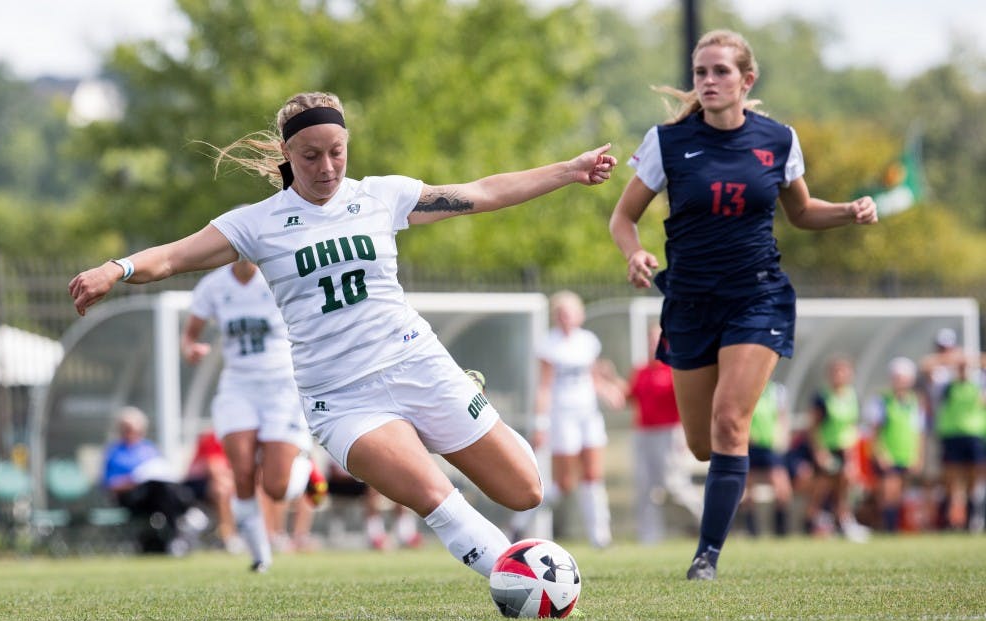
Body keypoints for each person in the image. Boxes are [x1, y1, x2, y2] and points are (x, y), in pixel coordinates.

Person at [69, 90, 617, 580]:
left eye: (337, 151)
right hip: (342, 395)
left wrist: (567, 170)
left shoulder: (382, 196)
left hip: (418, 364)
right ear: (287, 155)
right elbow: (171, 256)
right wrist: (115, 269)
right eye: (310, 155)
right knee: (436, 496)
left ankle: (464, 409)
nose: (327, 166)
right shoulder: (256, 224)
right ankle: (519, 578)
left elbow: (483, 192)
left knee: (525, 489)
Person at [607, 30, 877, 579]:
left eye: (720, 71)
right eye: (701, 72)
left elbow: (800, 213)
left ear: (746, 80)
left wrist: (848, 211)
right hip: (689, 303)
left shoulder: (778, 140)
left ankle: (706, 557)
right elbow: (622, 218)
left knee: (732, 422)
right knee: (703, 445)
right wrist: (635, 254)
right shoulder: (667, 142)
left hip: (758, 297)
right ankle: (714, 521)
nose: (708, 81)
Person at [180, 258, 328, 572]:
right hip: (238, 386)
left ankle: (302, 465)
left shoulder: (280, 276)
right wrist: (190, 347)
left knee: (277, 486)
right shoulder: (214, 285)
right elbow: (190, 333)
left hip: (281, 387)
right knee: (242, 470)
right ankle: (260, 553)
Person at [522, 291, 625, 548]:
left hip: (588, 415)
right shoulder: (549, 344)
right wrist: (540, 423)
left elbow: (592, 377)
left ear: (579, 315)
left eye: (569, 312)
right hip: (562, 416)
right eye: (561, 313)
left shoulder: (588, 341)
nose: (565, 318)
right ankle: (520, 523)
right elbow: (544, 387)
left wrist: (609, 390)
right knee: (564, 483)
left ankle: (600, 536)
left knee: (593, 475)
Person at [626, 325, 704, 544]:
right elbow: (627, 398)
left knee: (675, 485)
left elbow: (689, 404)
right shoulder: (641, 371)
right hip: (643, 434)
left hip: (668, 434)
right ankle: (648, 538)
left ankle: (706, 522)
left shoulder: (675, 369)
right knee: (645, 488)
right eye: (651, 340)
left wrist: (685, 434)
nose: (653, 344)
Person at [102, 406, 209, 555]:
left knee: (163, 486)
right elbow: (110, 484)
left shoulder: (149, 448)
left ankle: (180, 529)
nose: (130, 433)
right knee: (158, 487)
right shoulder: (114, 452)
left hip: (157, 496)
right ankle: (188, 517)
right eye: (126, 429)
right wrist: (134, 480)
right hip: (131, 497)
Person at [805, 356, 870, 541]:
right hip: (826, 448)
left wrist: (854, 454)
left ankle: (843, 520)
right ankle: (812, 521)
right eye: (836, 371)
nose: (839, 375)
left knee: (845, 483)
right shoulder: (822, 396)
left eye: (843, 371)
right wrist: (819, 451)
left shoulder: (853, 396)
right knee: (822, 487)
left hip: (846, 449)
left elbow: (853, 426)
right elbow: (813, 426)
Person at [865, 357, 926, 532]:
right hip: (888, 454)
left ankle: (895, 528)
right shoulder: (882, 400)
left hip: (906, 454)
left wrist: (918, 456)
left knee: (899, 495)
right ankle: (886, 528)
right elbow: (874, 431)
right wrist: (881, 453)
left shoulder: (915, 402)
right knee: (888, 493)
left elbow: (918, 433)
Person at [934, 357, 986, 531]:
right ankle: (951, 518)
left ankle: (972, 518)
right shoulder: (948, 387)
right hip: (953, 435)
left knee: (973, 478)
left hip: (974, 435)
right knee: (952, 479)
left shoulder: (979, 386)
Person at [740, 380, 793, 536]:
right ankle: (752, 529)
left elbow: (782, 417)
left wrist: (782, 437)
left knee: (782, 489)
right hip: (751, 445)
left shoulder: (777, 391)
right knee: (749, 490)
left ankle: (781, 530)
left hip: (770, 446)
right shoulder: (746, 389)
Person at [183, 429, 240, 553]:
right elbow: (215, 470)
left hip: (221, 483)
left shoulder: (242, 439)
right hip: (196, 484)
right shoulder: (214, 437)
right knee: (221, 491)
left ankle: (269, 536)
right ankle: (228, 537)